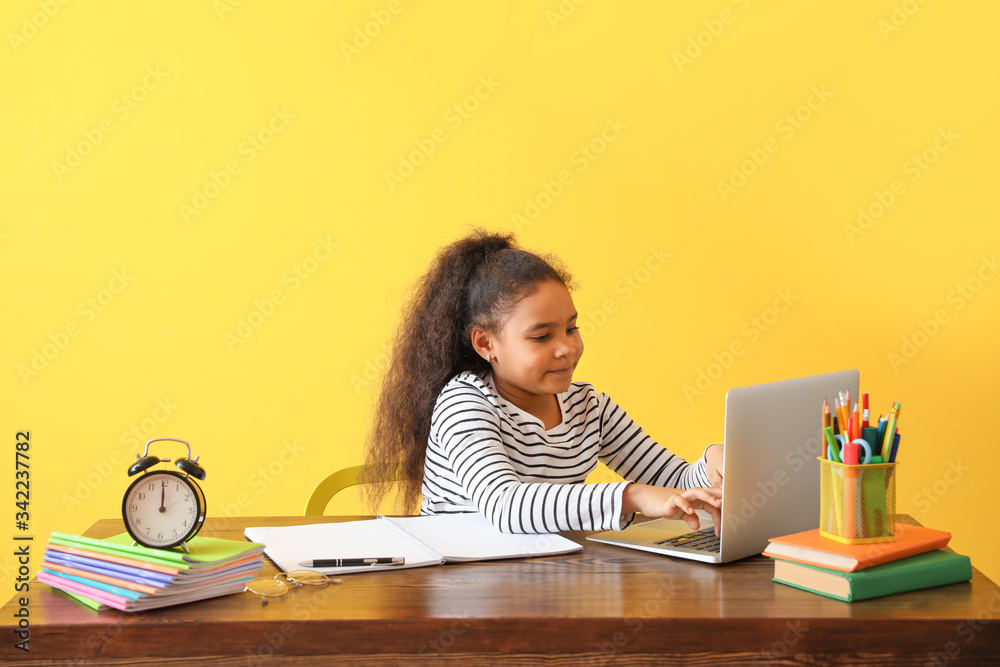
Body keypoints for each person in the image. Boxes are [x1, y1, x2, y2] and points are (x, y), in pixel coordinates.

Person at [363, 229, 724, 534]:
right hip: (462, 588)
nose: (566, 348)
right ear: (486, 344)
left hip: (547, 579)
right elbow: (504, 505)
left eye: (571, 328)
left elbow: (671, 482)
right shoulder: (465, 403)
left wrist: (711, 465)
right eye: (541, 337)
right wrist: (631, 496)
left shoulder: (589, 408)